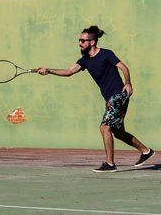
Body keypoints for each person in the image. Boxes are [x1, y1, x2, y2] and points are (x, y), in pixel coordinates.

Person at [38, 26, 155, 172]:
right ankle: (146, 151)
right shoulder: (84, 60)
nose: (80, 43)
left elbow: (123, 67)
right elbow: (68, 72)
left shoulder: (106, 54)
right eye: (79, 40)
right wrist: (48, 71)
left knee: (104, 127)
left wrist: (128, 83)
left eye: (83, 40)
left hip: (118, 94)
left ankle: (110, 164)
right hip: (110, 98)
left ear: (92, 42)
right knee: (117, 132)